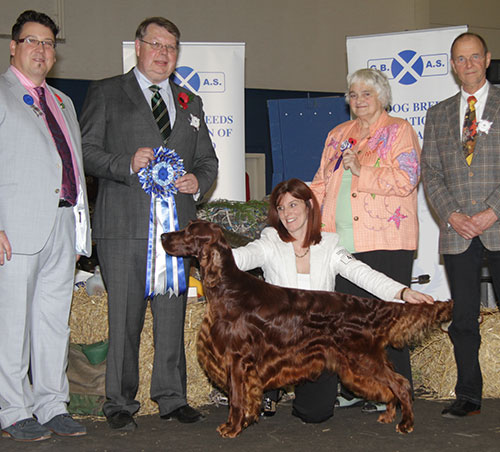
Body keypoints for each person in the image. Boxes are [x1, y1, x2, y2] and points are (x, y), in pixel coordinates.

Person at [80, 16, 218, 431]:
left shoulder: (190, 101)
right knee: (124, 318)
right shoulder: (106, 92)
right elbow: (84, 151)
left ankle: (172, 396)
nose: (163, 53)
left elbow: (208, 160)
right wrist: (125, 163)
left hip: (177, 231)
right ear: (137, 47)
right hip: (123, 227)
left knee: (172, 314)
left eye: (171, 47)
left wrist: (200, 181)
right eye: (156, 45)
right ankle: (120, 402)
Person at [232, 178, 433, 424]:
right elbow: (239, 259)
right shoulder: (270, 241)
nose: (287, 214)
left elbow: (364, 274)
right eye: (281, 208)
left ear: (309, 206)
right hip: (277, 341)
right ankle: (269, 388)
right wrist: (209, 247)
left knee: (315, 414)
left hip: (317, 344)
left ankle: (294, 386)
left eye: (293, 205)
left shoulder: (329, 245)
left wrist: (402, 292)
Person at [0, 10, 91, 442]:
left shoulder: (63, 102)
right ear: (14, 46)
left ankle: (52, 405)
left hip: (62, 224)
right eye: (32, 41)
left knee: (55, 321)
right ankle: (13, 408)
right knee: (11, 322)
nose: (41, 49)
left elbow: (71, 164)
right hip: (14, 230)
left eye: (49, 43)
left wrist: (80, 229)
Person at [310, 68, 422, 413]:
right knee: (348, 326)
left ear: (382, 97)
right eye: (353, 95)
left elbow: (408, 178)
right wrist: (298, 211)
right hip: (339, 245)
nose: (358, 101)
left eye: (366, 94)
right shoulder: (337, 134)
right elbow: (319, 182)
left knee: (386, 323)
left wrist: (362, 170)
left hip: (386, 241)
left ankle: (398, 392)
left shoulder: (399, 130)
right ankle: (360, 388)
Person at [421, 32, 499, 419]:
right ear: (452, 65)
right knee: (464, 318)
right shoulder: (437, 114)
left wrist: (492, 212)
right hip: (456, 232)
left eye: (473, 57)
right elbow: (430, 174)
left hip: (498, 223)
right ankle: (468, 394)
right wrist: (453, 215)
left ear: (486, 59)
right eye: (459, 59)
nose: (467, 65)